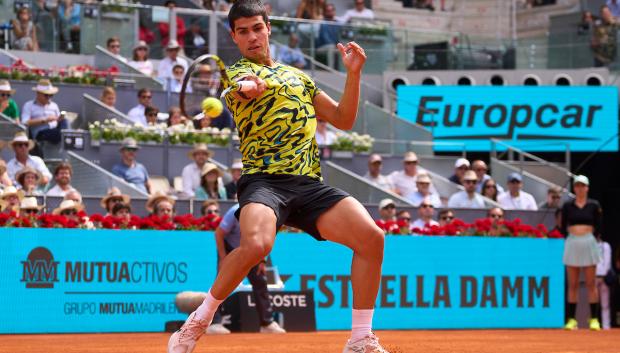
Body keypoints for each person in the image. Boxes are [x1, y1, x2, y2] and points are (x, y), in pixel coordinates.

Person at [168, 2, 388, 353]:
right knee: (256, 245)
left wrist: (354, 74)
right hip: (264, 182)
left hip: (307, 184)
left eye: (257, 28)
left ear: (268, 27)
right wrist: (247, 88)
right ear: (234, 37)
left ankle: (360, 338)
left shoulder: (300, 78)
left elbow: (344, 119)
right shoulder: (235, 75)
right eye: (243, 31)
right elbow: (239, 88)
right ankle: (196, 323)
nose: (252, 36)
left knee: (372, 238)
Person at [209, 203, 286, 334]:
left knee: (260, 282)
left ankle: (266, 323)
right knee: (222, 284)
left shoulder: (266, 213)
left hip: (251, 249)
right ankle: (214, 323)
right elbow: (219, 234)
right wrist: (223, 258)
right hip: (229, 249)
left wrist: (263, 260)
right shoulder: (234, 211)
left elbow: (267, 238)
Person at [562, 175, 603, 331]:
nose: (580, 188)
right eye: (577, 185)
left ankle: (594, 319)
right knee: (572, 284)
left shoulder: (594, 205)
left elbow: (599, 226)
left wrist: (588, 236)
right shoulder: (567, 206)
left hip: (589, 242)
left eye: (582, 185)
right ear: (574, 188)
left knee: (591, 283)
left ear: (587, 188)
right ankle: (571, 319)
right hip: (572, 242)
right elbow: (564, 225)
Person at [21, 79, 68, 145]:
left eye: (51, 95)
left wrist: (59, 119)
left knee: (64, 121)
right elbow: (25, 122)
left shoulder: (54, 105)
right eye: (46, 95)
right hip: (40, 133)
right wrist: (45, 120)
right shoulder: (29, 105)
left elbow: (58, 120)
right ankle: (66, 135)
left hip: (55, 130)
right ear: (38, 94)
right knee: (60, 133)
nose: (49, 97)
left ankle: (67, 134)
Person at [596, 235, 612, 330]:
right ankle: (593, 323)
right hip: (593, 277)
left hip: (604, 278)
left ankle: (606, 326)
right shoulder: (590, 246)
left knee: (605, 304)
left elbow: (608, 261)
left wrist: (603, 275)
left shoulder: (606, 246)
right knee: (593, 303)